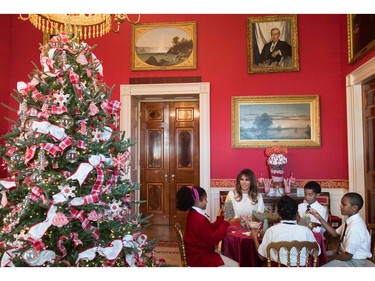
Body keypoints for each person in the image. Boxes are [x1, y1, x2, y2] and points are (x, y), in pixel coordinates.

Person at [176, 185, 239, 267]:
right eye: (205, 199)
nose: (207, 201)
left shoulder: (193, 214)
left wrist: (221, 219)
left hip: (196, 254)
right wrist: (225, 223)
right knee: (236, 265)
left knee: (227, 255)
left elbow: (208, 230)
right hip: (200, 258)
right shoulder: (199, 219)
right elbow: (213, 239)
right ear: (198, 201)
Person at [250, 195, 320, 266]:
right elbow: (317, 252)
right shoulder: (306, 231)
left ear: (278, 214)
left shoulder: (271, 231)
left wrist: (254, 237)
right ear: (297, 214)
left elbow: (262, 257)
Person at [309, 192, 372, 267]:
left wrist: (327, 258)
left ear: (354, 208)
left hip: (353, 262)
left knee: (321, 261)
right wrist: (319, 217)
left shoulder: (355, 227)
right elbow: (334, 233)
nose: (340, 206)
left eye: (344, 204)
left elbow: (347, 256)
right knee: (318, 254)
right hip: (343, 253)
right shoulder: (350, 220)